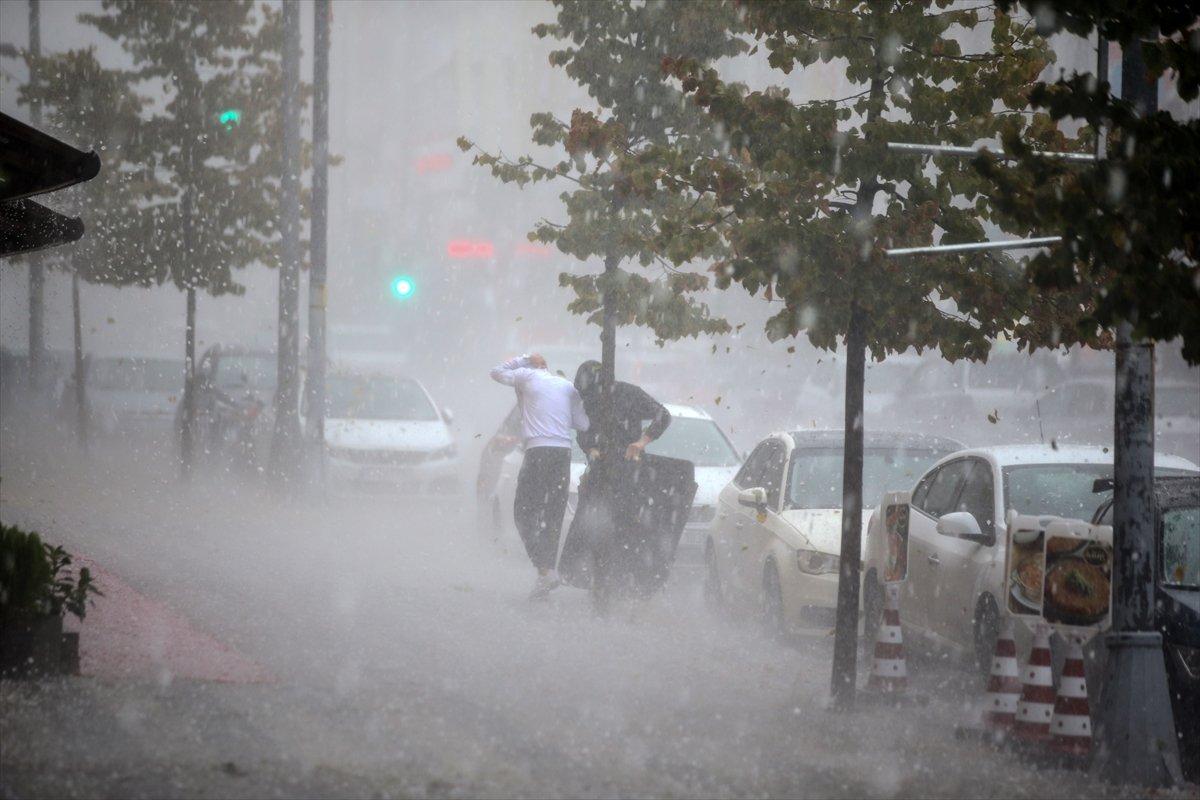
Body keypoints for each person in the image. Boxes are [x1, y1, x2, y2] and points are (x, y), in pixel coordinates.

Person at [490, 353, 589, 599]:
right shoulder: (567, 387)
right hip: (562, 454)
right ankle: (546, 573)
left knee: (523, 512)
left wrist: (523, 360)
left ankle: (545, 570)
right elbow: (583, 424)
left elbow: (497, 372)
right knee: (553, 514)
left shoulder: (527, 375)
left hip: (538, 452)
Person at [572, 360, 670, 462]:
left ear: (605, 383)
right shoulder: (586, 401)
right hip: (600, 467)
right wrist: (591, 449)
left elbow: (663, 415)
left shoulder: (629, 394)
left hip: (630, 462)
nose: (592, 400)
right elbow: (582, 431)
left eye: (594, 394)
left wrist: (641, 443)